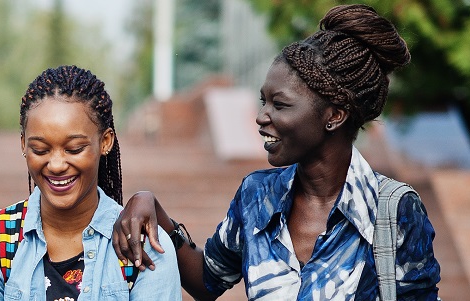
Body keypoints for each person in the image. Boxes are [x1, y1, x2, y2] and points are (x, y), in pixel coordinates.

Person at [111, 4, 440, 300]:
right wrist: (149, 203)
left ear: (334, 116)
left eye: (280, 104)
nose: (261, 116)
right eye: (263, 101)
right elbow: (207, 279)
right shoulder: (256, 195)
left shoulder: (393, 208)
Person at [0, 66, 180, 300]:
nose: (56, 164)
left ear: (105, 142)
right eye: (40, 149)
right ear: (23, 144)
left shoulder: (143, 246)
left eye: (74, 149)